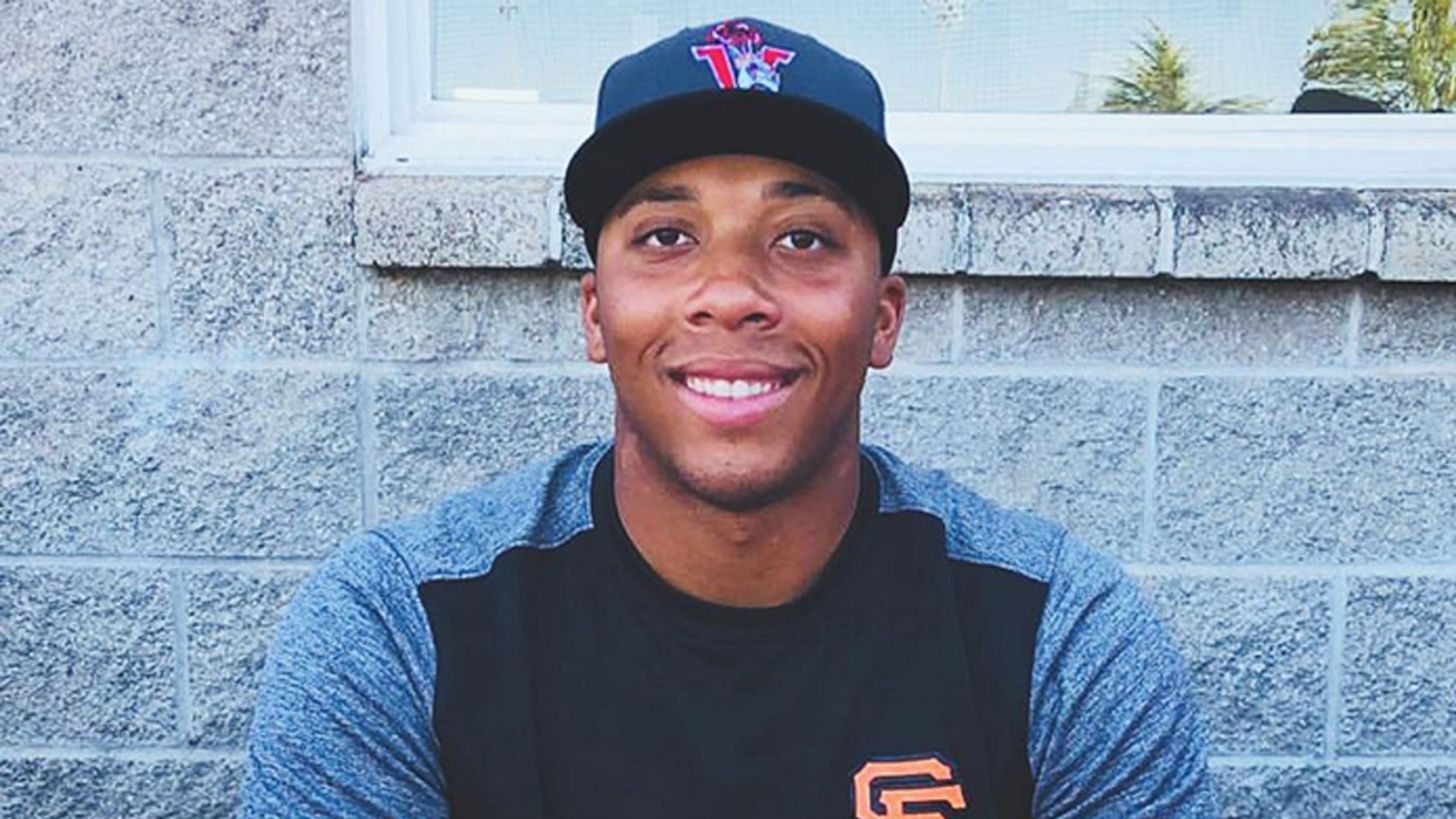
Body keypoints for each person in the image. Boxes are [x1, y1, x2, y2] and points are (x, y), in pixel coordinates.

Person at [244, 18, 1216, 818]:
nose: (731, 294)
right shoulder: (403, 628)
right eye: (668, 236)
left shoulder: (1056, 636)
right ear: (596, 313)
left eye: (802, 239)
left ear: (882, 318)